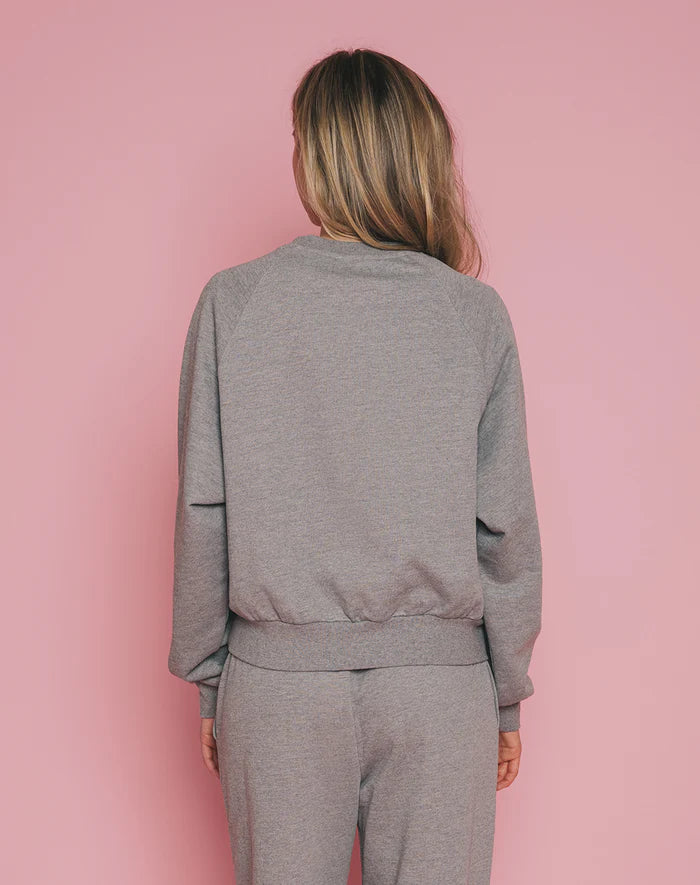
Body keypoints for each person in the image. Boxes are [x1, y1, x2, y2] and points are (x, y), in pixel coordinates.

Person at [168, 47, 542, 885]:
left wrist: (208, 678)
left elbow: (203, 509)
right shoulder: (472, 314)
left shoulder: (236, 303)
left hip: (278, 689)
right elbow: (504, 525)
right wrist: (507, 689)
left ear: (323, 158)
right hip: (439, 692)